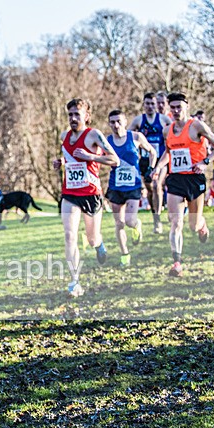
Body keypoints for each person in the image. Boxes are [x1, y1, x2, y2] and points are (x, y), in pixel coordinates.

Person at [151, 92, 214, 277]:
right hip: (176, 179)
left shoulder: (196, 126)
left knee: (193, 225)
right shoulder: (167, 130)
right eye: (172, 107)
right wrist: (159, 167)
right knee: (175, 222)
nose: (175, 111)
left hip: (195, 178)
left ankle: (202, 224)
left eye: (179, 107)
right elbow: (168, 153)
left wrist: (204, 162)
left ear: (186, 108)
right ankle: (177, 263)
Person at [53, 98, 119, 297]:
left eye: (77, 114)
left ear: (87, 116)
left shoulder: (94, 135)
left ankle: (99, 244)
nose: (73, 118)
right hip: (70, 193)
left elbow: (114, 160)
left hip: (91, 194)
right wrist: (61, 162)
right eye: (70, 114)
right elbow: (71, 157)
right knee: (70, 235)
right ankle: (75, 282)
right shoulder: (65, 135)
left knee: (91, 238)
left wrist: (92, 157)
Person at [106, 109, 156, 267]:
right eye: (112, 122)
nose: (116, 125)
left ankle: (137, 226)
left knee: (129, 220)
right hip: (115, 186)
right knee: (119, 223)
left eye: (119, 121)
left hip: (133, 185)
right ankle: (124, 254)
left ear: (125, 122)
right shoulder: (106, 141)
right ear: (109, 124)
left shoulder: (135, 137)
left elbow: (152, 152)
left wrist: (150, 168)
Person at [129, 92, 172, 234]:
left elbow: (176, 130)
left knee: (156, 185)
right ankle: (155, 212)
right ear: (143, 105)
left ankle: (157, 220)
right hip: (145, 160)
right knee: (149, 190)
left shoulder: (164, 119)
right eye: (147, 104)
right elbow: (127, 135)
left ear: (157, 105)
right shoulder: (138, 121)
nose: (150, 106)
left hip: (160, 159)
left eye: (153, 104)